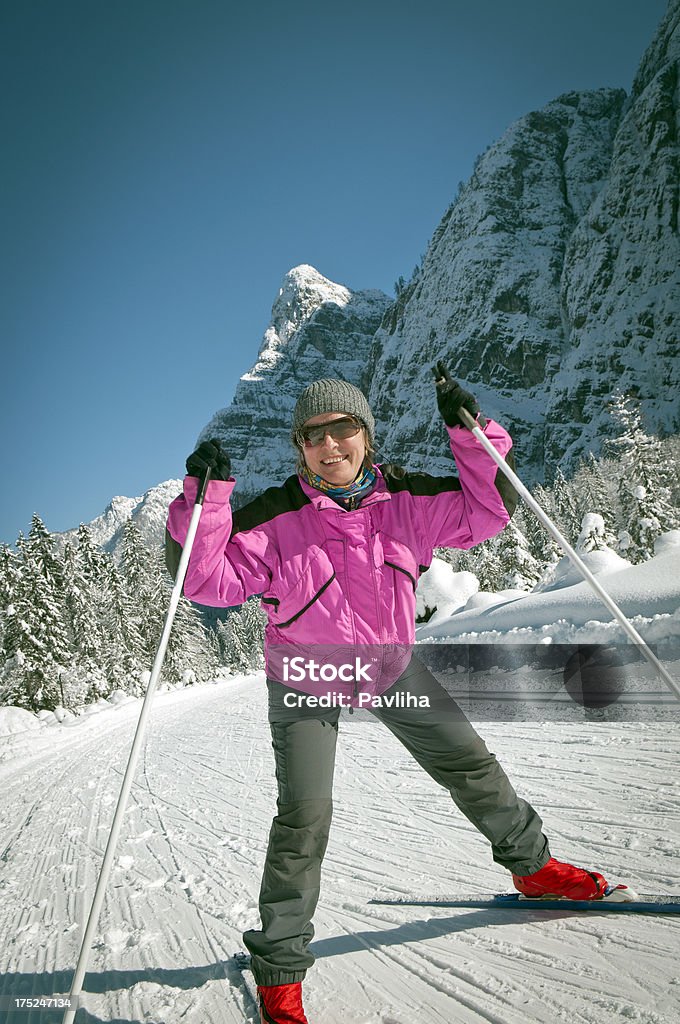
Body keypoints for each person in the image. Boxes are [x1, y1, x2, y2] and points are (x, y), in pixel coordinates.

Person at [165, 372, 609, 1024]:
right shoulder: (274, 518)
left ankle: (533, 867)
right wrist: (204, 505)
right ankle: (281, 968)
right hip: (305, 674)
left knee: (469, 762)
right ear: (301, 448)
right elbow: (205, 579)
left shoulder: (408, 499)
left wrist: (471, 435)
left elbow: (485, 512)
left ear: (365, 436)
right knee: (305, 814)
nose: (330, 444)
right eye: (314, 436)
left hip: (387, 664)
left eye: (342, 429)